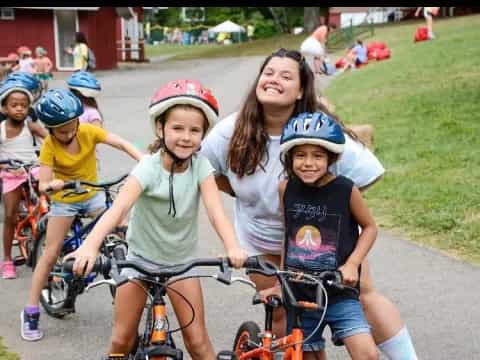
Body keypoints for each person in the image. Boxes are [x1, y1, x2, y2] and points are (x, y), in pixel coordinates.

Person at [200, 48, 418, 359]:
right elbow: (206, 173)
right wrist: (239, 191)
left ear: (301, 89)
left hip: (327, 241)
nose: (274, 80)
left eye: (286, 76)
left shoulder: (318, 130)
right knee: (281, 313)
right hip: (261, 240)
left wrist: (331, 208)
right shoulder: (231, 130)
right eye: (269, 73)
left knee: (364, 298)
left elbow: (369, 175)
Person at [64, 79, 247, 359]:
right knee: (121, 341)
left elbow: (215, 211)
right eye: (177, 128)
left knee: (198, 343)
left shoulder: (201, 167)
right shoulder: (148, 167)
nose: (185, 137)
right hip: (138, 261)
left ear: (203, 134)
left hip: (182, 263)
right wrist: (89, 246)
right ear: (160, 128)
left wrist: (233, 246)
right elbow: (117, 210)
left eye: (194, 130)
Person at [20, 88, 144, 341]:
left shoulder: (87, 131)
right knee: (51, 253)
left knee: (122, 228)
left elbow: (119, 142)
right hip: (65, 201)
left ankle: (133, 283)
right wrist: (50, 185)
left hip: (93, 193)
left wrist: (143, 159)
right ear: (50, 129)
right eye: (61, 130)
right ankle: (30, 311)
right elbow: (43, 183)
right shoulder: (49, 146)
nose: (68, 133)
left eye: (71, 126)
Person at [262, 111, 379, 359]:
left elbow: (370, 227)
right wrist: (279, 281)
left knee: (367, 354)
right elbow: (289, 235)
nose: (308, 163)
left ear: (331, 157)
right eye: (300, 155)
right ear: (289, 157)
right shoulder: (286, 188)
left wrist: (352, 264)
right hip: (300, 294)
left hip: (338, 291)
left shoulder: (346, 189)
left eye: (317, 156)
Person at [0, 81, 47, 279]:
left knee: (50, 198)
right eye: (14, 105)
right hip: (11, 172)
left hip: (33, 168)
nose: (19, 108)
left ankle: (50, 240)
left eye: (23, 105)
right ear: (4, 107)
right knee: (10, 214)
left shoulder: (31, 125)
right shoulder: (1, 129)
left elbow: (50, 140)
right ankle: (8, 260)